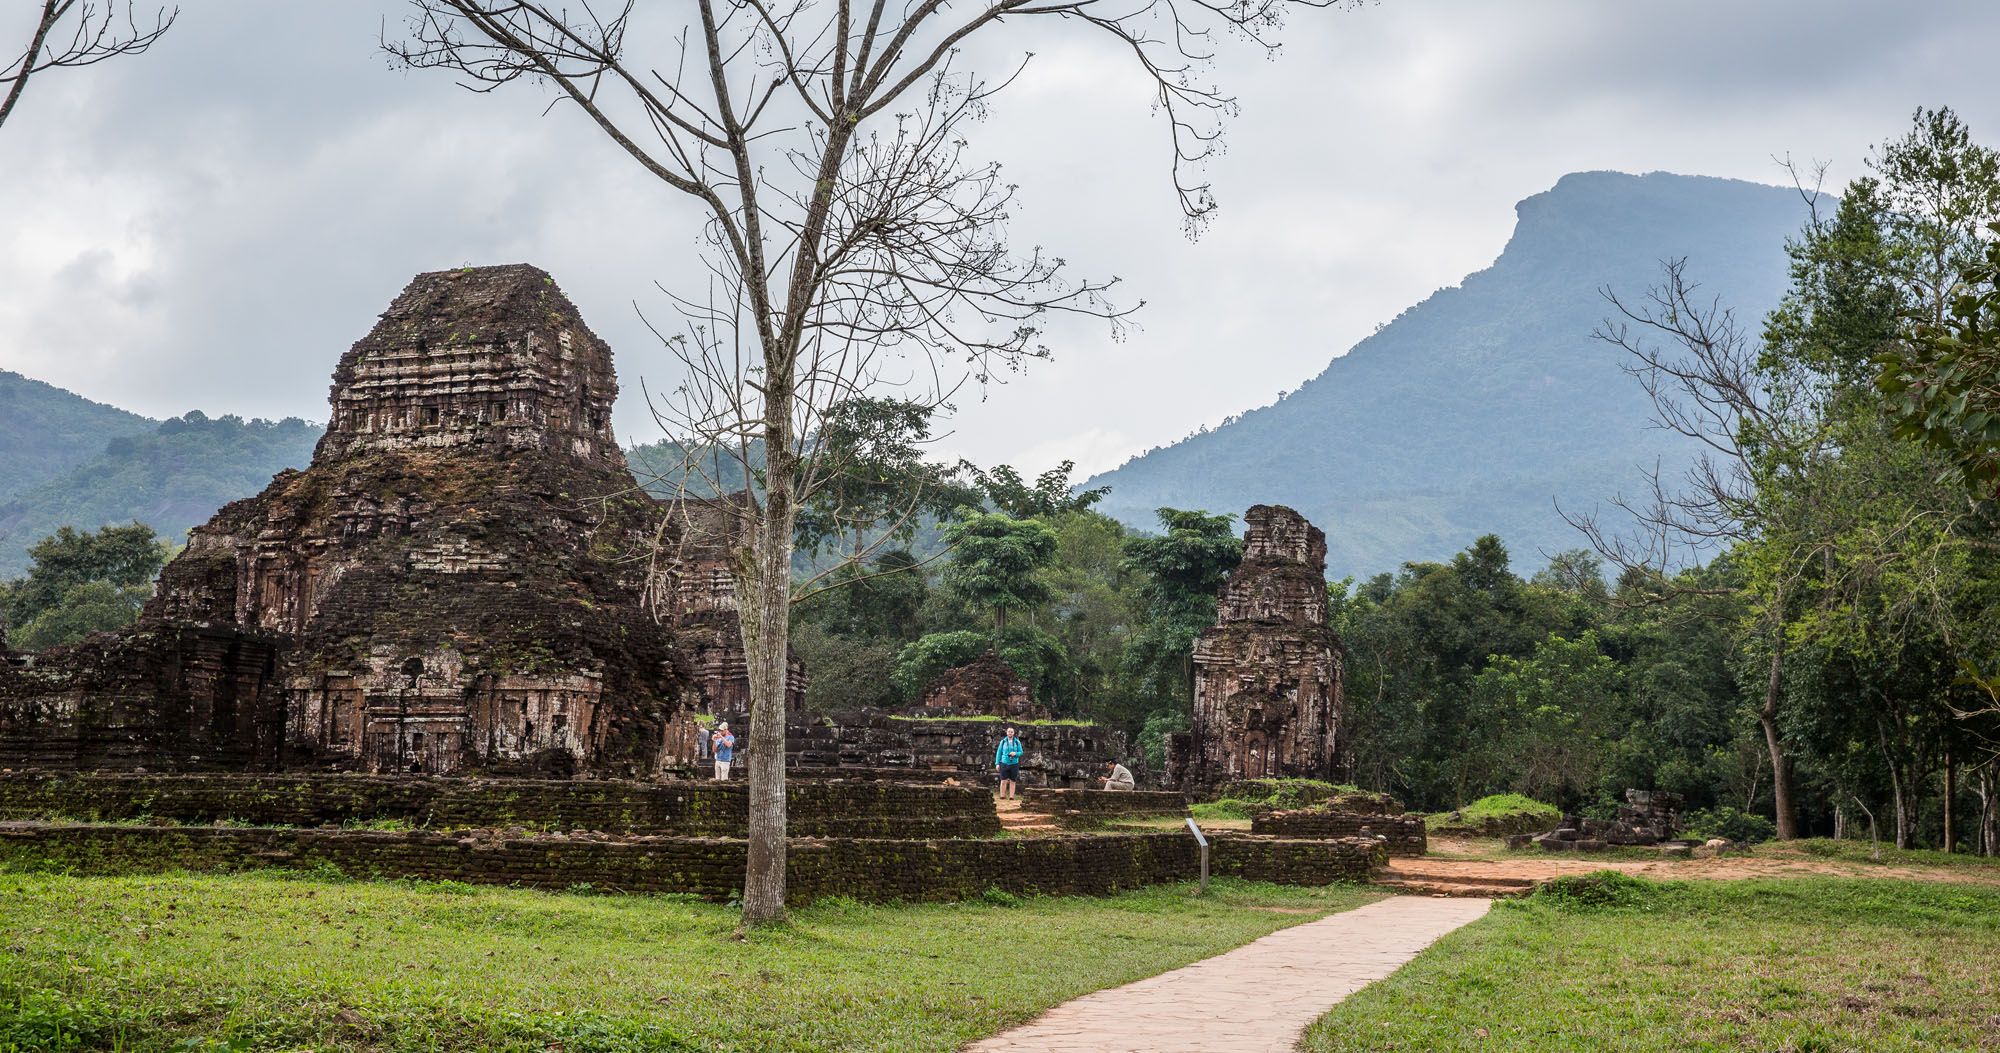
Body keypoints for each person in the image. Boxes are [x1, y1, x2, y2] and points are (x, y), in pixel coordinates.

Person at [994, 727, 1024, 800]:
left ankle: (1011, 796)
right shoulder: (1003, 742)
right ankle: (1002, 796)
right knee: (1003, 780)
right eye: (1008, 732)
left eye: (1011, 732)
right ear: (1006, 733)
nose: (1010, 733)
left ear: (1013, 733)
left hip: (1014, 763)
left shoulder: (1017, 742)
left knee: (1012, 780)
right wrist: (997, 763)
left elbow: (1021, 752)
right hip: (1004, 763)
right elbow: (999, 752)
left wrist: (1015, 753)